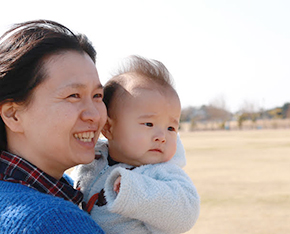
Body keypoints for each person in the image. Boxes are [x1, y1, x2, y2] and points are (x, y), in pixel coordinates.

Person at [72, 55, 200, 233]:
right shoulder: (93, 158)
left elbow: (185, 213)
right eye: (149, 124)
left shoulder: (161, 173)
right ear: (108, 127)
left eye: (171, 128)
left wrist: (135, 189)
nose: (162, 136)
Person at [0, 20, 106, 233]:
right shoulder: (51, 221)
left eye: (97, 96)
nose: (95, 114)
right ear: (13, 115)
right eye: (73, 96)